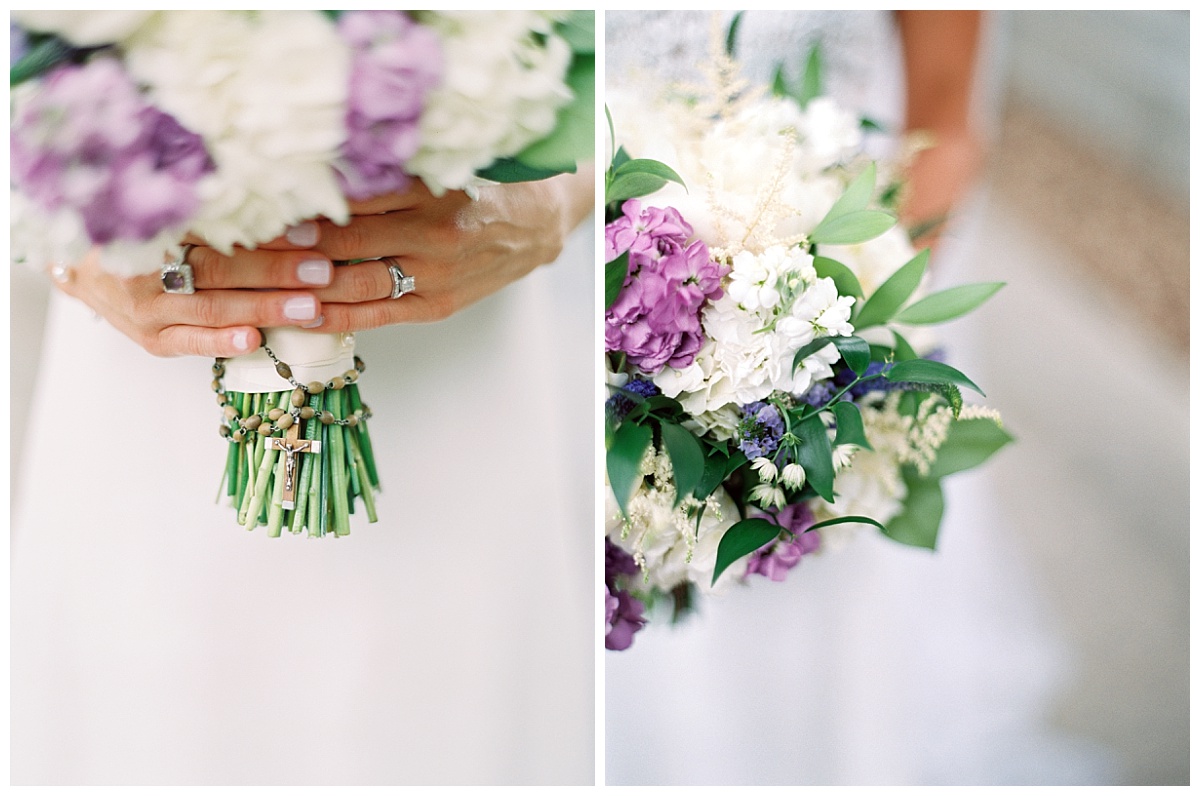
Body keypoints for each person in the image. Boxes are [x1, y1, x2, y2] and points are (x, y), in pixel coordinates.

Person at [604, 11, 1106, 785]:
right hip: (604, 341)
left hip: (829, 338)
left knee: (817, 655)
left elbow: (945, 120)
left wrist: (842, 349)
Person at [10, 151, 596, 781]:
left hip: (463, 383)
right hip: (140, 428)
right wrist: (63, 240)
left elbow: (614, 90)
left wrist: (561, 199)